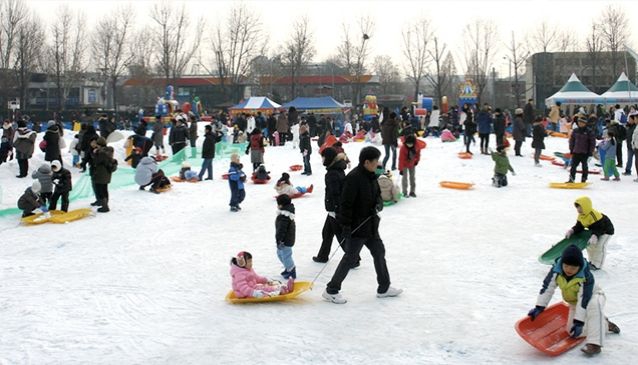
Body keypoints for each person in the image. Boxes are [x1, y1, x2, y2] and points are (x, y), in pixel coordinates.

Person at [323, 146, 402, 304]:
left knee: (379, 252)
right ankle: (331, 290)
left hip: (371, 225)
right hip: (357, 227)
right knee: (350, 258)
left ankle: (384, 287)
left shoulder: (371, 175)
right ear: (366, 162)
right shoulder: (353, 178)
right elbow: (346, 204)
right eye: (375, 162)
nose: (377, 164)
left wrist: (378, 204)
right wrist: (346, 226)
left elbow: (377, 195)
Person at [527, 245, 620, 355]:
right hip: (575, 303)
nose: (569, 270)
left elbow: (584, 298)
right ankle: (604, 324)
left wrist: (579, 321)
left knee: (593, 306)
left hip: (594, 296)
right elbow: (547, 288)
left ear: (579, 267)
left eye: (573, 268)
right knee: (573, 332)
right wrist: (539, 306)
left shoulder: (585, 276)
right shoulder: (556, 271)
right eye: (566, 266)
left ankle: (595, 344)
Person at [313, 147, 356, 264]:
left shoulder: (332, 174)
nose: (322, 160)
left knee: (340, 235)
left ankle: (353, 259)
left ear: (328, 158)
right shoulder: (336, 169)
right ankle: (323, 255)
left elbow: (336, 193)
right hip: (334, 208)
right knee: (327, 232)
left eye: (323, 157)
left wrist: (337, 210)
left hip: (335, 209)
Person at [565, 196, 615, 270]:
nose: (578, 209)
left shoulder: (594, 215)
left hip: (606, 231)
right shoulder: (581, 216)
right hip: (594, 232)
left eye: (580, 207)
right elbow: (579, 226)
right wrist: (572, 230)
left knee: (599, 247)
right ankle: (592, 262)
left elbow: (599, 227)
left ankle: (597, 265)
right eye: (577, 207)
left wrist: (595, 235)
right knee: (590, 246)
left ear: (586, 206)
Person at [92, 137, 117, 212]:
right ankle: (105, 204)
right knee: (104, 189)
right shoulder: (109, 151)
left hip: (100, 174)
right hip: (107, 174)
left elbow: (96, 161)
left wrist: (95, 153)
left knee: (100, 190)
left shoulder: (101, 153)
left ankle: (105, 206)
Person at [275, 194, 297, 279]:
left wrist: (280, 240)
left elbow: (281, 230)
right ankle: (288, 268)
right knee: (280, 254)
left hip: (285, 240)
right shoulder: (286, 214)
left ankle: (291, 270)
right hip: (285, 239)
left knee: (286, 255)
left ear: (280, 205)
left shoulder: (284, 216)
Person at [568, 118, 596, 183]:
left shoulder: (589, 131)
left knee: (584, 166)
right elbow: (572, 141)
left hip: (584, 152)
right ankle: (571, 179)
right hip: (576, 151)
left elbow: (592, 142)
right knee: (573, 166)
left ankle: (584, 179)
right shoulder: (575, 130)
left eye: (582, 122)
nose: (580, 124)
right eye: (579, 122)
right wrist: (571, 149)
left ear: (585, 123)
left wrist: (590, 151)